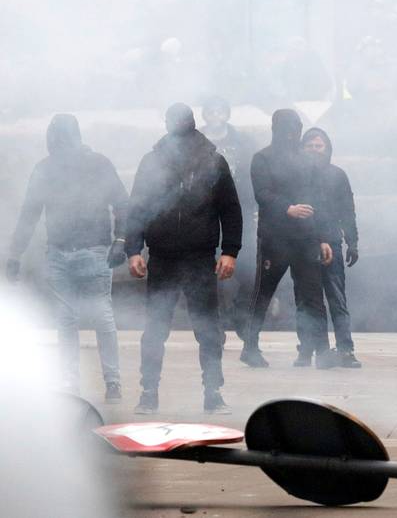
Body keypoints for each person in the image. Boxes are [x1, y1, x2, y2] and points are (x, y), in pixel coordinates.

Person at [126, 103, 242, 415]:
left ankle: (213, 393)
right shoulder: (152, 162)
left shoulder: (213, 162)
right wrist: (133, 249)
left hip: (199, 258)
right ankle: (148, 392)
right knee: (154, 329)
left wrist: (230, 251)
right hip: (162, 258)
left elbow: (230, 209)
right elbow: (137, 207)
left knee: (208, 329)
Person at [6, 114, 127, 400]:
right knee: (83, 317)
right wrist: (14, 253)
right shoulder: (52, 168)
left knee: (88, 317)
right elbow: (29, 213)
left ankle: (99, 382)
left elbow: (122, 204)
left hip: (86, 250)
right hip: (67, 251)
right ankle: (91, 383)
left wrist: (120, 240)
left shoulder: (89, 165)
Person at [243, 109, 337, 369]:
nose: (292, 133)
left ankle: (321, 350)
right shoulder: (262, 158)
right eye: (287, 128)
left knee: (312, 295)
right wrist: (288, 208)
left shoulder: (306, 160)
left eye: (296, 128)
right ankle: (249, 347)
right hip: (274, 238)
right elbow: (262, 193)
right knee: (263, 293)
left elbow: (318, 200)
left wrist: (323, 238)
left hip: (306, 237)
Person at [301, 127, 362, 368]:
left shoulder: (337, 175)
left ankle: (346, 350)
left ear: (327, 148)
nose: (315, 150)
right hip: (304, 245)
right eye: (310, 146)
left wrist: (353, 242)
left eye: (319, 146)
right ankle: (321, 351)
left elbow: (347, 210)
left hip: (333, 243)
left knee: (337, 299)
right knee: (311, 301)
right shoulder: (297, 176)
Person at [200, 95, 257, 339]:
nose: (215, 116)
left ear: (227, 114)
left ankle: (242, 315)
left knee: (247, 266)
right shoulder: (196, 140)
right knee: (209, 268)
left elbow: (251, 175)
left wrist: (254, 206)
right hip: (204, 211)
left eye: (219, 111)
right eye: (210, 111)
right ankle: (217, 322)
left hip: (239, 207)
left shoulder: (242, 142)